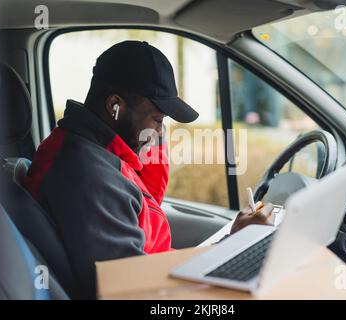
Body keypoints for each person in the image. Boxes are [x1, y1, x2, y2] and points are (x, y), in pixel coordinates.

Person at [22, 41, 274, 298]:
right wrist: (231, 248)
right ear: (114, 106)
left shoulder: (93, 152)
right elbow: (133, 290)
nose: (159, 132)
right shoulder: (89, 176)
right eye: (157, 119)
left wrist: (228, 245)